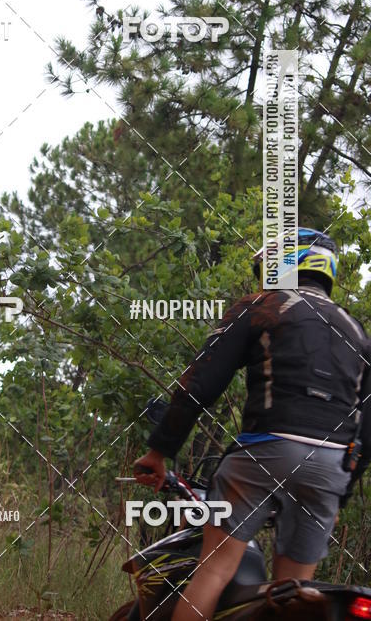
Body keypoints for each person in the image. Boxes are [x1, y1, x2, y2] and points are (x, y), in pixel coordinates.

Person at [133, 228, 371, 621]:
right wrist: (340, 493)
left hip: (265, 452)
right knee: (291, 595)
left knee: (215, 568)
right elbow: (368, 429)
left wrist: (160, 451)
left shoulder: (262, 306)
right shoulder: (356, 331)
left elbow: (201, 382)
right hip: (330, 468)